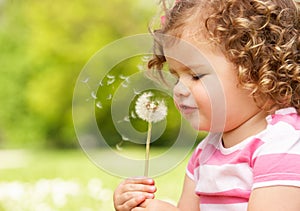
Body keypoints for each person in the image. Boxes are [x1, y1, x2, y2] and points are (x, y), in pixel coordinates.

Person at [113, 0, 300, 210]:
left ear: (259, 70)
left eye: (195, 75)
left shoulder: (283, 146)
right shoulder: (206, 152)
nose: (179, 90)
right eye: (176, 77)